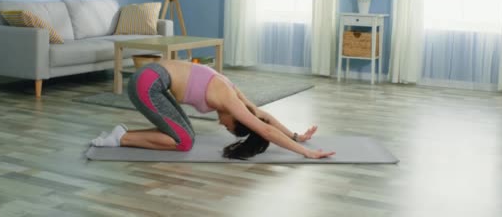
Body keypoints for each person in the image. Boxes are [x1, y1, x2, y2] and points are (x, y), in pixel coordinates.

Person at [91, 60, 335, 160]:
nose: (223, 125)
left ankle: (121, 134)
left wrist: (295, 135)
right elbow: (264, 129)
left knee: (187, 135)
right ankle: (121, 138)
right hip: (149, 83)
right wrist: (306, 152)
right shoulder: (229, 100)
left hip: (153, 79)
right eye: (230, 127)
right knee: (184, 142)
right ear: (236, 119)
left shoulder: (232, 91)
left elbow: (263, 116)